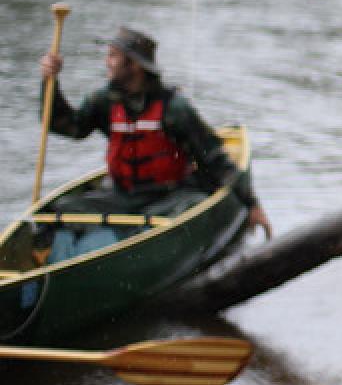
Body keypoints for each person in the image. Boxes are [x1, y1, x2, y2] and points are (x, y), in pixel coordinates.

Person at [39, 26, 271, 236]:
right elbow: (69, 126)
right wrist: (50, 82)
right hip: (121, 198)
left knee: (190, 210)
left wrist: (251, 205)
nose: (106, 62)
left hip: (169, 198)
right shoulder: (105, 101)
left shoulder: (174, 108)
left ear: (134, 65)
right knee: (57, 211)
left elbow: (215, 160)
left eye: (112, 56)